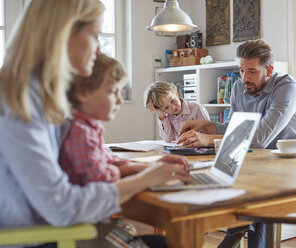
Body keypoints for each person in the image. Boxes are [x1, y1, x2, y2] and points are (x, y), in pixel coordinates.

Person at [0, 1, 190, 248]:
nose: (99, 49)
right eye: (95, 36)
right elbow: (63, 207)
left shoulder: (41, 95)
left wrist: (141, 169)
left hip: (57, 231)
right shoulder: (20, 105)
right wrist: (144, 179)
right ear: (64, 34)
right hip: (45, 238)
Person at [177, 39, 296, 248]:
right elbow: (235, 127)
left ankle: (235, 235)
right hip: (262, 160)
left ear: (269, 69)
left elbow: (260, 138)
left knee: (259, 192)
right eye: (241, 70)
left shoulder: (288, 89)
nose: (244, 78)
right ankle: (235, 230)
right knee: (219, 174)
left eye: (252, 71)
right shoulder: (238, 88)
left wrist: (209, 139)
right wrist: (207, 126)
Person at [60, 53, 148, 185]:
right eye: (113, 92)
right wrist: (117, 171)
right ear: (84, 93)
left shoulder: (90, 127)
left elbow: (107, 160)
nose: (120, 100)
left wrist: (146, 166)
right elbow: (99, 178)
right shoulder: (79, 132)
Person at [144, 81, 210, 142]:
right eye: (166, 107)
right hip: (181, 149)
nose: (173, 107)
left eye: (172, 100)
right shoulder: (165, 116)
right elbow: (168, 139)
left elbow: (209, 131)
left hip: (199, 147)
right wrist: (160, 113)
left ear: (176, 93)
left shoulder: (196, 108)